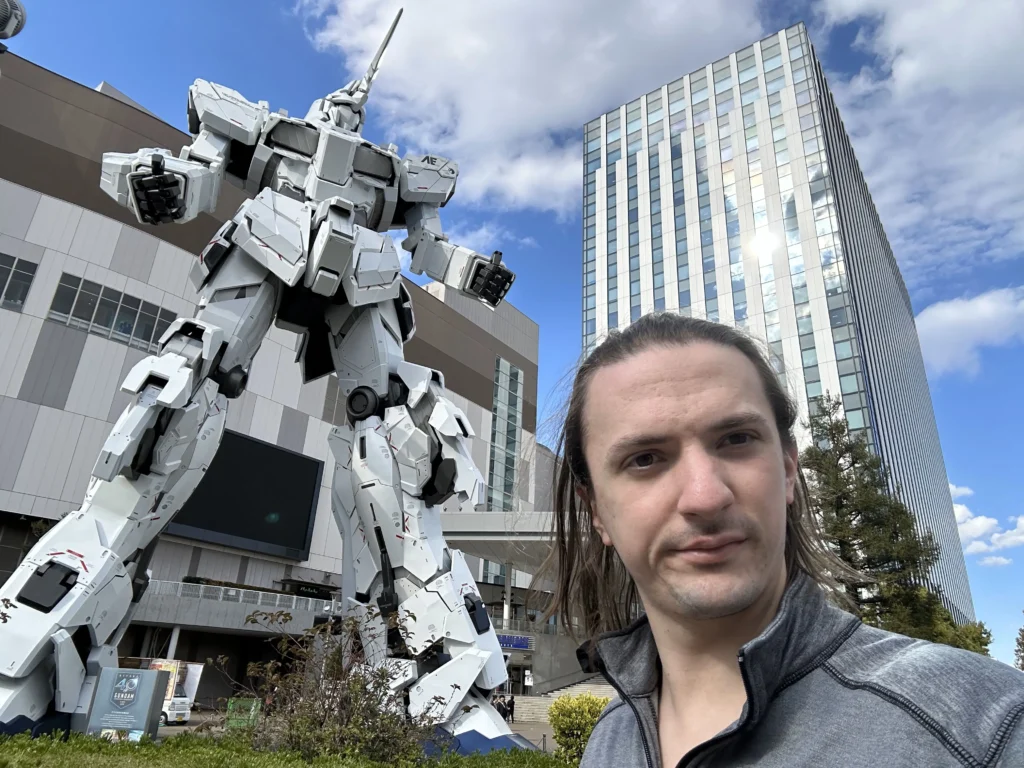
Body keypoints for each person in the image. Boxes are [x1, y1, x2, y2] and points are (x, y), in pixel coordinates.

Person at [539, 312, 1024, 767]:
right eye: (645, 459)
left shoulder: (984, 729)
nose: (706, 497)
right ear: (595, 509)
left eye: (737, 439)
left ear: (789, 468)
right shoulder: (608, 742)